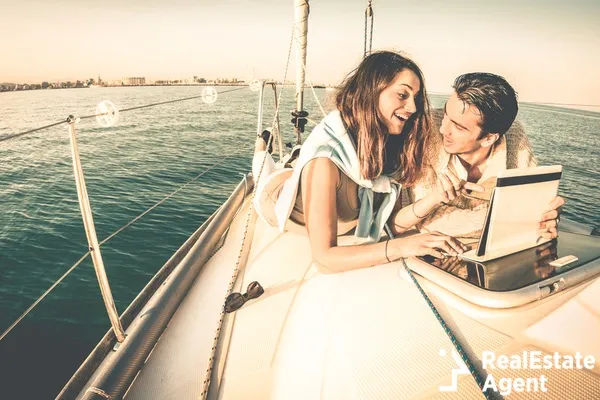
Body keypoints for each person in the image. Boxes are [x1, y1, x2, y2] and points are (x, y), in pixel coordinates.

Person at [253, 51, 468, 273]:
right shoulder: (324, 163)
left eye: (416, 99)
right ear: (371, 91)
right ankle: (261, 147)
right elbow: (324, 259)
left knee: (295, 166)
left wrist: (435, 199)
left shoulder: (389, 147)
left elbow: (387, 223)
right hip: (273, 197)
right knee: (263, 172)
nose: (413, 108)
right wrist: (401, 246)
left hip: (314, 187)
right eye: (403, 95)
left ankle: (295, 159)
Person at [397, 72, 563, 244]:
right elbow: (427, 222)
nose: (443, 129)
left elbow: (533, 203)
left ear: (489, 139)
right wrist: (519, 220)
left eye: (459, 127)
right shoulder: (425, 131)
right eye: (446, 113)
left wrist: (546, 217)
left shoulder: (515, 136)